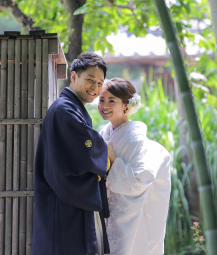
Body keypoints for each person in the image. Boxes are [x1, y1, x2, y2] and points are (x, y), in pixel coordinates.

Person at [31, 52, 110, 255]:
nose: (95, 88)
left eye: (100, 83)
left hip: (67, 203)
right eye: (90, 80)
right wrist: (107, 153)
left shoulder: (71, 108)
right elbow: (86, 149)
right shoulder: (64, 110)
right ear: (73, 77)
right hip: (63, 206)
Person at [98, 78, 171, 255]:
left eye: (111, 101)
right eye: (101, 100)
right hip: (106, 209)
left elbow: (139, 181)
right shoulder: (103, 132)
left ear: (125, 105)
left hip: (128, 215)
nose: (104, 105)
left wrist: (114, 159)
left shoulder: (136, 139)